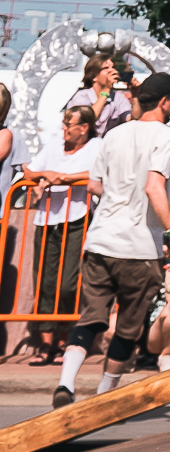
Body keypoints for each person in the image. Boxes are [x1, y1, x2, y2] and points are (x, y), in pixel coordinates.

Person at [51, 72, 170, 408]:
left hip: (100, 241)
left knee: (91, 318)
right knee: (128, 326)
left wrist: (118, 193)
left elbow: (94, 185)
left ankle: (66, 384)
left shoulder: (113, 135)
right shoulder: (168, 137)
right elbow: (154, 187)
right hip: (138, 247)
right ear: (164, 101)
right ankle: (103, 396)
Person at [20, 103, 101, 364]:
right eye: (64, 123)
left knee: (68, 283)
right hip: (48, 219)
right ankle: (46, 344)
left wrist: (66, 178)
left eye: (69, 124)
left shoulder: (96, 147)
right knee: (44, 281)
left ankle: (65, 337)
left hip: (77, 219)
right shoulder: (55, 145)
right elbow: (30, 170)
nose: (64, 128)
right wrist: (46, 174)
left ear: (84, 128)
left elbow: (98, 174)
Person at [65, 56, 132, 140]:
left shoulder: (118, 97)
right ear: (94, 77)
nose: (112, 71)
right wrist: (106, 90)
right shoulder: (81, 97)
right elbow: (87, 119)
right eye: (106, 68)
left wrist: (136, 94)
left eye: (113, 67)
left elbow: (131, 120)